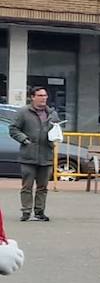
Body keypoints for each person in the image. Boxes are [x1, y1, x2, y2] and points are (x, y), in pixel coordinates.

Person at [11, 86, 57, 222]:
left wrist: (57, 135)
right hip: (28, 155)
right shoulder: (24, 112)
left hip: (46, 155)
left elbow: (57, 128)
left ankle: (39, 212)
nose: (44, 98)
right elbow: (13, 128)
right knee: (27, 186)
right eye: (40, 95)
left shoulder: (52, 113)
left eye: (45, 95)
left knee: (42, 187)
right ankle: (26, 211)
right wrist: (24, 139)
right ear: (33, 97)